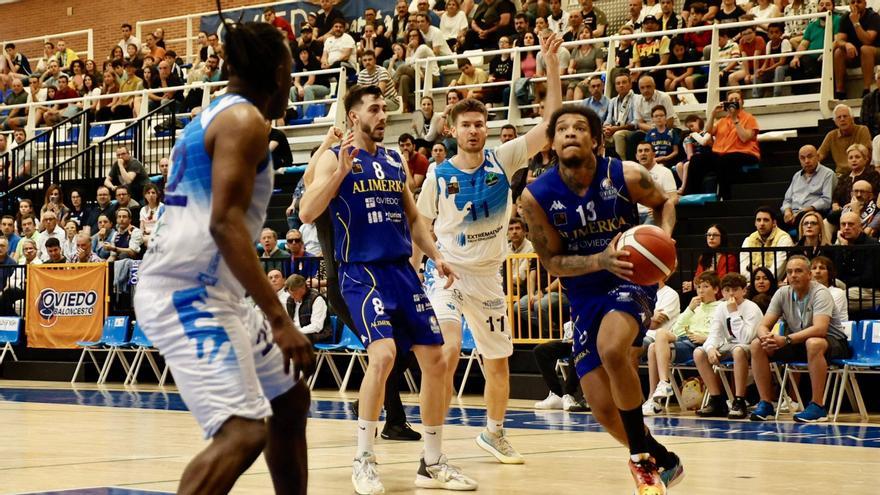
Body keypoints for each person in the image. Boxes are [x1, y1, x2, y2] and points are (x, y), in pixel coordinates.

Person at [133, 15, 314, 495]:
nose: (291, 83)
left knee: (289, 398)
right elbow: (225, 222)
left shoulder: (216, 113)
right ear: (277, 72)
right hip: (186, 293)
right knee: (243, 429)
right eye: (291, 71)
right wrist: (279, 318)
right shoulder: (244, 120)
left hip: (214, 291)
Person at [298, 85, 476, 493]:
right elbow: (308, 211)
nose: (383, 115)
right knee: (383, 355)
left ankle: (431, 464)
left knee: (436, 360)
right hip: (360, 271)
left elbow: (414, 219)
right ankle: (363, 458)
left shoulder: (394, 160)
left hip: (401, 271)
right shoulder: (333, 158)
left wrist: (435, 254)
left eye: (385, 109)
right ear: (353, 117)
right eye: (374, 109)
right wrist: (340, 172)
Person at [415, 33, 563, 468]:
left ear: (487, 126)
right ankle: (433, 452)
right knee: (448, 350)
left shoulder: (504, 159)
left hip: (489, 277)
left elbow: (551, 125)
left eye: (480, 123)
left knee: (499, 361)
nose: (474, 130)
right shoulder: (438, 177)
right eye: (466, 124)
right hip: (447, 274)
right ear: (452, 130)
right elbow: (421, 229)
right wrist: (413, 271)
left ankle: (494, 433)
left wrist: (551, 67)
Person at [519, 105, 683, 493]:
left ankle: (641, 463)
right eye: (562, 129)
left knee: (613, 350)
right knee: (601, 408)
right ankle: (664, 458)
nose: (570, 133)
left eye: (580, 128)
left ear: (596, 139)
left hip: (629, 278)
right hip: (584, 293)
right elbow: (552, 262)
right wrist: (597, 258)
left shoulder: (625, 174)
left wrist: (664, 246)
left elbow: (666, 203)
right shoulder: (535, 197)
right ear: (552, 143)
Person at [749, 255, 850, 423]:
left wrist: (786, 339)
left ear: (809, 274)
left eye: (798, 271)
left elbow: (820, 328)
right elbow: (762, 325)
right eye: (789, 272)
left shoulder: (820, 292)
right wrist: (765, 337)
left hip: (832, 340)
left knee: (814, 343)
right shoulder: (782, 293)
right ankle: (765, 403)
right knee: (756, 345)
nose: (793, 275)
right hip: (798, 341)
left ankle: (818, 406)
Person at [643, 271, 720, 415]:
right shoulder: (695, 307)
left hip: (701, 345)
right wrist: (690, 309)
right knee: (654, 345)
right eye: (698, 287)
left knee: (656, 340)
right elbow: (677, 330)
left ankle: (662, 386)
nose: (701, 290)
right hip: (685, 341)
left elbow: (721, 332)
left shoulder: (720, 307)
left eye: (705, 286)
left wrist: (705, 338)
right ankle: (653, 397)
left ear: (715, 289)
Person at [693, 273, 763, 419]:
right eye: (727, 290)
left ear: (744, 291)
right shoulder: (721, 307)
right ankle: (716, 399)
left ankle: (739, 400)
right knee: (699, 353)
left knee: (738, 350)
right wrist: (711, 348)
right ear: (722, 292)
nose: (731, 294)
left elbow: (745, 338)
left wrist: (734, 313)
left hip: (752, 347)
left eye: (735, 289)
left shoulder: (752, 308)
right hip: (729, 345)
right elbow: (714, 333)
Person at [683, 91, 759, 200]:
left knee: (724, 160)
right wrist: (713, 113)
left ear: (742, 102)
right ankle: (691, 195)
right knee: (696, 159)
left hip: (744, 153)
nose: (733, 102)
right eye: (731, 100)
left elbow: (744, 137)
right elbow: (708, 131)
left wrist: (735, 119)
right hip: (721, 154)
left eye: (736, 99)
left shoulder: (749, 118)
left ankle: (724, 196)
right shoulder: (722, 121)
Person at [831, 0, 880, 100]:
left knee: (865, 49)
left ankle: (867, 89)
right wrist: (846, 44)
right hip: (855, 53)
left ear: (865, 4)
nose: (855, 5)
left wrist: (856, 23)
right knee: (839, 52)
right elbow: (839, 40)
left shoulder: (873, 17)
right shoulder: (845, 17)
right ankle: (840, 91)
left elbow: (867, 40)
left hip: (875, 51)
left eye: (859, 2)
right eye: (853, 2)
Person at [780, 144, 835, 230]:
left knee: (803, 218)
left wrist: (806, 210)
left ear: (817, 157)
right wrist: (787, 210)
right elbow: (787, 200)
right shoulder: (797, 176)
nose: (806, 161)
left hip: (813, 212)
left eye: (810, 157)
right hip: (793, 213)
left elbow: (826, 200)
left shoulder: (828, 174)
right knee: (773, 220)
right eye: (802, 158)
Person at [740, 206, 794, 280]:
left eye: (766, 220)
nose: (761, 223)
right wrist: (758, 280)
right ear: (755, 223)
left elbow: (777, 272)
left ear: (774, 223)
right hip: (752, 285)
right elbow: (743, 272)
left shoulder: (784, 239)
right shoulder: (748, 240)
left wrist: (754, 270)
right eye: (758, 220)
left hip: (776, 286)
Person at [682, 224, 738, 293]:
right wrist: (692, 284)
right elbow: (698, 276)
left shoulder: (729, 257)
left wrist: (697, 285)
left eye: (715, 235)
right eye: (709, 235)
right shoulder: (704, 256)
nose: (711, 238)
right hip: (704, 291)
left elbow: (722, 280)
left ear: (722, 237)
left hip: (720, 292)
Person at [818, 104, 872, 175]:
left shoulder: (862, 130)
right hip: (841, 175)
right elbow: (819, 155)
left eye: (845, 116)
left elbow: (866, 154)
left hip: (861, 173)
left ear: (852, 119)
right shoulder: (831, 135)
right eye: (839, 117)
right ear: (835, 122)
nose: (842, 119)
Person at [284, 274, 330, 344]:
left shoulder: (317, 298)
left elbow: (317, 327)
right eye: (290, 294)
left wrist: (296, 332)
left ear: (302, 288)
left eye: (294, 293)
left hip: (319, 334)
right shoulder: (290, 300)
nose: (292, 297)